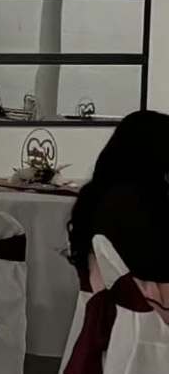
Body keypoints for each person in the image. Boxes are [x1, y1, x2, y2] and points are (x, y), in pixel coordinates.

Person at [67, 108, 169, 309]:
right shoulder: (136, 203)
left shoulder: (97, 196)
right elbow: (157, 266)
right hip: (152, 315)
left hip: (116, 317)